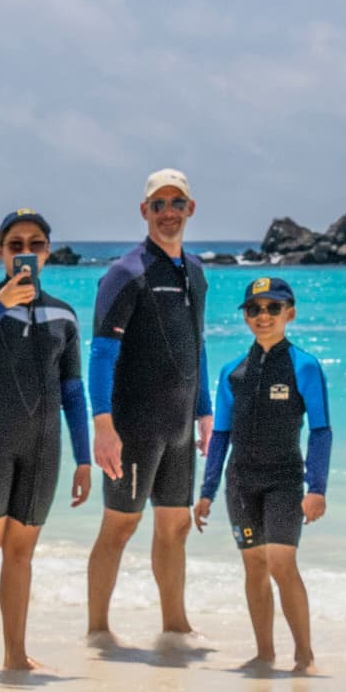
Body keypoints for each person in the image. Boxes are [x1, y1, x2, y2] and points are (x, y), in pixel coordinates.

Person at [0, 206, 90, 673]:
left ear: (47, 252)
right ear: (0, 253)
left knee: (22, 554)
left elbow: (73, 390)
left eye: (35, 245)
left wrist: (84, 458)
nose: (26, 253)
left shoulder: (63, 315)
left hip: (44, 448)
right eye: (16, 245)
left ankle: (14, 654)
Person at [87, 167, 211, 642]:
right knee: (120, 527)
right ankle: (98, 629)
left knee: (175, 527)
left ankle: (174, 624)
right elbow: (101, 353)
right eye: (157, 205)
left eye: (176, 203)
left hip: (179, 427)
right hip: (134, 424)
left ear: (189, 209)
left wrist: (203, 411)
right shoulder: (126, 274)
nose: (167, 213)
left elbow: (195, 345)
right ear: (144, 211)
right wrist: (103, 424)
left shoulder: (195, 272)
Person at [194, 275, 334, 673]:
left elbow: (321, 430)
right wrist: (206, 491)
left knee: (280, 562)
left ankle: (304, 655)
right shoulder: (233, 372)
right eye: (254, 309)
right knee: (254, 565)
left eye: (273, 308)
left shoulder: (304, 366)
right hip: (241, 482)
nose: (263, 315)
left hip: (284, 479)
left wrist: (317, 487)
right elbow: (220, 435)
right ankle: (264, 653)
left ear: (289, 313)